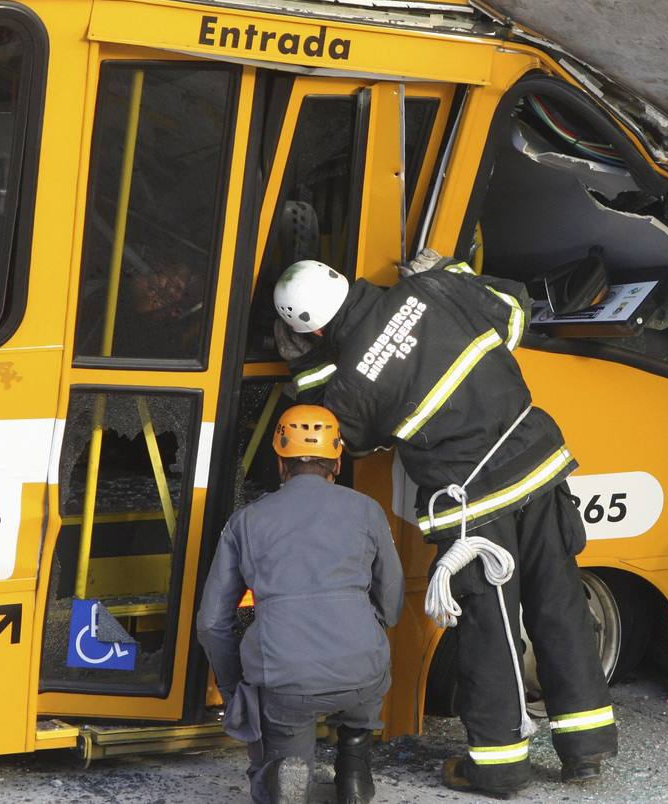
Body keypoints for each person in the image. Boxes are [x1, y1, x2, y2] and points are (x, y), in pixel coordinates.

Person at [272, 254, 617, 798]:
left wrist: (307, 367)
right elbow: (515, 315)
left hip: (474, 508)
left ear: (312, 327)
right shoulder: (434, 288)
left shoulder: (354, 383)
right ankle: (588, 747)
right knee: (560, 605)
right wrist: (454, 271)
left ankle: (501, 767)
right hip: (538, 468)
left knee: (492, 632)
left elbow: (345, 440)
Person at [196, 404, 404, 804]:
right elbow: (391, 602)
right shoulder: (367, 510)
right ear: (338, 461)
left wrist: (232, 685)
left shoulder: (247, 521)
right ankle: (355, 771)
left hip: (286, 675)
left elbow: (212, 622)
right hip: (362, 668)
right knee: (362, 696)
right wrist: (362, 627)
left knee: (281, 753)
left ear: (280, 463)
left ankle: (289, 772)